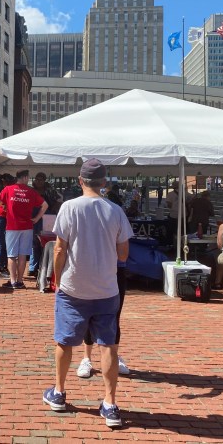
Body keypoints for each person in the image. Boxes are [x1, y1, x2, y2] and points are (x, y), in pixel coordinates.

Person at [42, 159, 133, 428]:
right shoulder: (115, 211)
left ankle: (58, 392)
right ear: (105, 182)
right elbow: (124, 253)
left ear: (79, 180)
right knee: (109, 345)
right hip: (106, 288)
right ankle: (110, 403)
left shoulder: (69, 208)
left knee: (64, 341)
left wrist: (57, 279)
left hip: (73, 287)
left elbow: (59, 249)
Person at [0, 170, 47, 290]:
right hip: (27, 227)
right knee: (22, 255)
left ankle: (13, 282)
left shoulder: (8, 189)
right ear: (25, 177)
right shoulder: (31, 191)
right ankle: (20, 281)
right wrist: (36, 218)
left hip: (12, 226)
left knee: (12, 255)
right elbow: (45, 205)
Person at [28, 172, 62, 276]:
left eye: (41, 179)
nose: (39, 181)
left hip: (47, 218)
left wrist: (52, 210)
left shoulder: (50, 190)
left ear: (44, 180)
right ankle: (33, 267)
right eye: (37, 179)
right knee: (34, 243)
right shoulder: (31, 190)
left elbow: (59, 200)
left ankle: (44, 266)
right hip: (34, 218)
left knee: (45, 242)